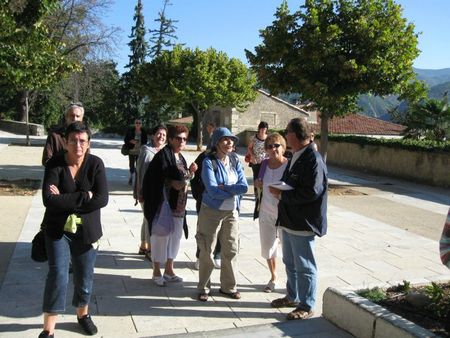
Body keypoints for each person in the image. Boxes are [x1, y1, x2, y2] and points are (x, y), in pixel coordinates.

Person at [39, 122, 108, 338]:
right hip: (58, 230)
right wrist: (83, 196)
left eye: (82, 141)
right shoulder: (55, 164)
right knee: (58, 275)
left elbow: (102, 199)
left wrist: (64, 198)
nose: (78, 145)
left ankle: (82, 315)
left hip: (87, 230)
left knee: (84, 276)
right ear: (66, 142)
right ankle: (48, 329)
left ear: (88, 144)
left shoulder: (96, 164)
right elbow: (48, 200)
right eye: (73, 140)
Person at [269, 118, 327, 321]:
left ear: (295, 134)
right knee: (290, 262)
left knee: (304, 265)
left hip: (303, 221)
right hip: (290, 219)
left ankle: (307, 304)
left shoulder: (313, 158)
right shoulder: (297, 155)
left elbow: (312, 192)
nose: (285, 136)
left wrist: (282, 194)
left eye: (287, 132)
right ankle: (292, 296)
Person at [196, 127, 248, 302]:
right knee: (207, 249)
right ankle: (204, 287)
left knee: (231, 249)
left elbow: (245, 187)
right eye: (225, 140)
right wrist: (232, 190)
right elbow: (211, 190)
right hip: (211, 211)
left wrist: (225, 188)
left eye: (231, 140)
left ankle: (228, 287)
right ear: (216, 142)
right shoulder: (208, 162)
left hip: (232, 211)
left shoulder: (235, 160)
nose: (230, 143)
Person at [142, 125, 197, 286]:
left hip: (179, 207)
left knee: (175, 238)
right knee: (160, 237)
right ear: (171, 139)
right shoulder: (163, 156)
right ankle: (156, 271)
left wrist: (189, 173)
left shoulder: (180, 157)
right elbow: (173, 182)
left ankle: (169, 269)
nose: (182, 141)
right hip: (163, 205)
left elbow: (182, 178)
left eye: (184, 139)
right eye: (178, 138)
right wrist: (188, 176)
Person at [253, 133, 288, 293]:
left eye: (276, 145)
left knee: (288, 249)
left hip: (285, 214)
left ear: (283, 147)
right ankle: (273, 277)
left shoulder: (289, 165)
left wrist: (281, 194)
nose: (273, 148)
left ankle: (291, 280)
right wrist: (258, 183)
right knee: (268, 247)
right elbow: (259, 183)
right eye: (269, 146)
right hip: (266, 212)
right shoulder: (264, 164)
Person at [135, 125, 167, 260]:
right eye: (159, 134)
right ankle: (151, 250)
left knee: (147, 218)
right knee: (151, 220)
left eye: (164, 135)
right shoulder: (146, 151)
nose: (161, 137)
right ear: (153, 135)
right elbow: (140, 172)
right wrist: (140, 193)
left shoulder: (164, 151)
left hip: (159, 192)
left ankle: (144, 245)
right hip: (147, 192)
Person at [124, 118, 147, 185]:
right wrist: (131, 141)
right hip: (131, 151)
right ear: (135, 124)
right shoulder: (131, 131)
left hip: (140, 152)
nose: (138, 124)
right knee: (131, 165)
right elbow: (125, 140)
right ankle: (131, 176)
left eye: (139, 123)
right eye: (137, 123)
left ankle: (137, 179)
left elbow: (145, 141)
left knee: (138, 166)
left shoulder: (143, 132)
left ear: (141, 124)